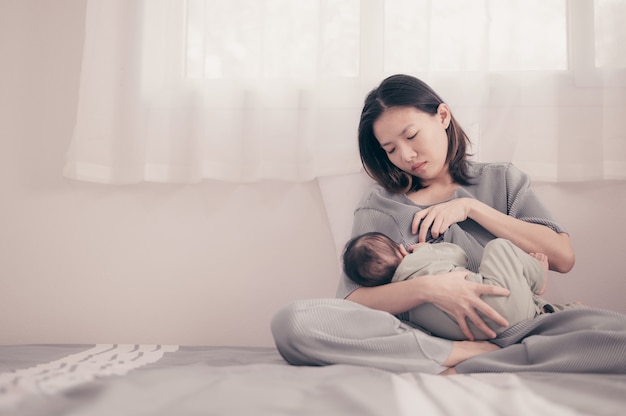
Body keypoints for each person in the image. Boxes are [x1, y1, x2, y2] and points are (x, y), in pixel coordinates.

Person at [271, 74, 626, 375]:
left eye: (410, 136)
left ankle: (507, 356)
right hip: (432, 336)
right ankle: (465, 356)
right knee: (294, 323)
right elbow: (353, 301)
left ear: (442, 116)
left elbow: (563, 256)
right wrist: (432, 290)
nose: (406, 155)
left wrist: (471, 209)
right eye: (390, 149)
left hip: (527, 326)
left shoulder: (501, 179)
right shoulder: (381, 205)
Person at [343, 232, 557, 341]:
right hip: (502, 301)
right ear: (401, 250)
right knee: (498, 246)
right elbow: (459, 255)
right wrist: (426, 248)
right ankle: (538, 275)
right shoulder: (419, 256)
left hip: (491, 333)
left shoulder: (402, 310)